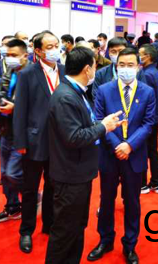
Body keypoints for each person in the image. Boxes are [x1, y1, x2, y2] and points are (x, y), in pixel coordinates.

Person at [46, 47, 123, 264]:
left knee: (76, 227)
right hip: (70, 174)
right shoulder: (66, 97)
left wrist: (101, 123)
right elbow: (74, 137)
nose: (95, 71)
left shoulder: (75, 91)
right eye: (95, 67)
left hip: (78, 172)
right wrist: (103, 127)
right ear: (87, 69)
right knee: (65, 231)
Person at [88, 48, 155, 264]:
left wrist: (129, 145)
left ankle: (130, 245)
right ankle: (105, 240)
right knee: (106, 200)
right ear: (116, 67)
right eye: (122, 65)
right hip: (109, 153)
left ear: (138, 67)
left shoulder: (147, 91)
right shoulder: (104, 90)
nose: (126, 69)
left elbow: (149, 123)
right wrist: (118, 145)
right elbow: (98, 120)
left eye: (130, 65)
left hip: (134, 155)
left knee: (132, 202)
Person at [13, 32, 65, 254]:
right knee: (30, 188)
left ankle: (49, 223)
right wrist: (20, 141)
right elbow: (20, 110)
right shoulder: (27, 74)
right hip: (35, 140)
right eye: (49, 46)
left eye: (56, 45)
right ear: (38, 51)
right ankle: (26, 230)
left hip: (60, 141)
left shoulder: (64, 71)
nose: (55, 50)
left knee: (54, 186)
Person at [0, 39, 30, 223]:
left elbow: (39, 105)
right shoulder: (10, 72)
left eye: (14, 55)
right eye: (7, 55)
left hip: (23, 132)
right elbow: (3, 93)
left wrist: (16, 108)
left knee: (13, 173)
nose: (10, 58)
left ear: (25, 56)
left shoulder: (33, 74)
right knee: (5, 174)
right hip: (5, 129)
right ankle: (12, 206)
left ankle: (31, 195)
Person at [138, 44, 158, 194]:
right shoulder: (155, 72)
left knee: (143, 150)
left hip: (147, 118)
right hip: (155, 116)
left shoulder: (146, 74)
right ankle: (156, 182)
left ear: (147, 56)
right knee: (153, 150)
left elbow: (144, 99)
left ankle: (143, 183)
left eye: (140, 53)